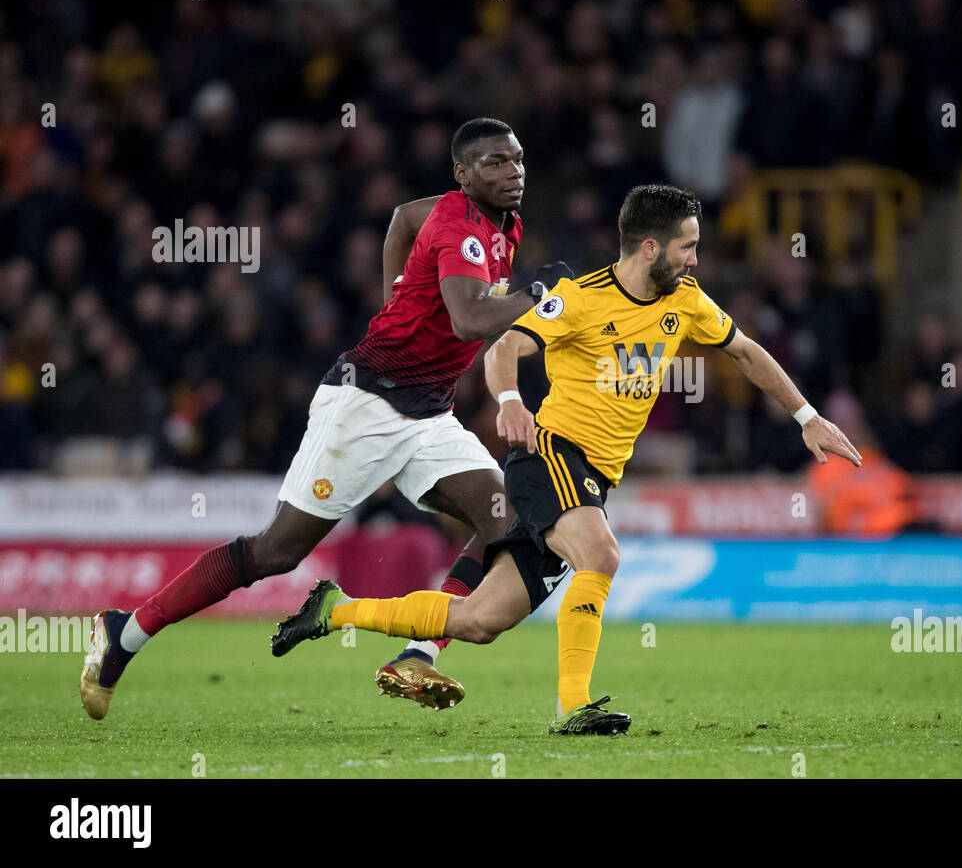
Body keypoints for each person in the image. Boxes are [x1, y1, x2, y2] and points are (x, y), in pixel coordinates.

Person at [270, 184, 862, 734]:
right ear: (650, 247)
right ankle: (573, 708)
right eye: (688, 248)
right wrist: (508, 401)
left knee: (480, 620)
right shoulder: (580, 299)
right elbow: (505, 346)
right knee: (601, 554)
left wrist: (808, 418)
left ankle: (335, 611)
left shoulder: (686, 301)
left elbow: (745, 351)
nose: (695, 261)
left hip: (594, 479)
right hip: (551, 456)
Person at [80, 118, 569, 719]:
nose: (512, 172)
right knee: (277, 551)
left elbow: (400, 219)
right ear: (463, 176)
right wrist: (542, 294)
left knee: (508, 519)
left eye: (517, 160)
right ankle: (126, 631)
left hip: (429, 412)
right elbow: (469, 320)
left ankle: (418, 654)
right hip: (365, 404)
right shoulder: (460, 223)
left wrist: (396, 289)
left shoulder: (498, 223)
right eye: (495, 163)